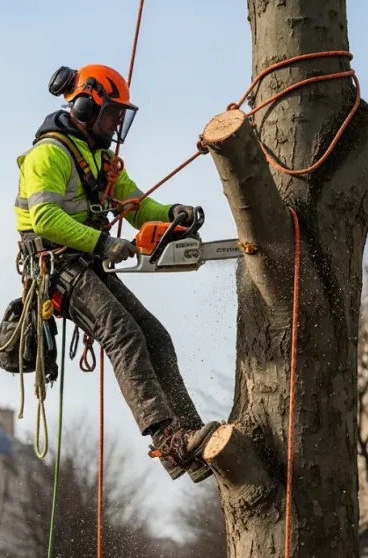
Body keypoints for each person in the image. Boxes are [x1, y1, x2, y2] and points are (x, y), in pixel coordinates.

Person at [13, 63, 220, 482]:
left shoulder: (105, 161)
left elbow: (139, 206)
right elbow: (47, 218)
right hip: (55, 267)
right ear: (87, 106)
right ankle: (168, 440)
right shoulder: (47, 154)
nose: (117, 122)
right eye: (112, 113)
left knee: (155, 336)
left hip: (85, 260)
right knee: (122, 334)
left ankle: (191, 439)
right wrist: (105, 243)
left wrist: (173, 215)